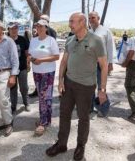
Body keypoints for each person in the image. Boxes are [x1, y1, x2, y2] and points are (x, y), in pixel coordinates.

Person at [46, 12, 108, 161]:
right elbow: (64, 62)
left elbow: (104, 66)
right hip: (69, 83)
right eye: (69, 21)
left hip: (86, 87)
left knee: (83, 117)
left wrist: (102, 89)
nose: (69, 24)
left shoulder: (96, 40)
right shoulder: (70, 40)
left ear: (82, 22)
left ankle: (81, 146)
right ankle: (61, 144)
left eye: (72, 21)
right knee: (64, 114)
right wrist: (60, 80)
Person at [28, 19, 60, 136]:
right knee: (41, 97)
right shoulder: (33, 40)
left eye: (42, 26)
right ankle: (46, 119)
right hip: (36, 72)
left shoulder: (51, 40)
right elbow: (30, 54)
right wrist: (31, 59)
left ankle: (43, 122)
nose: (39, 28)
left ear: (46, 28)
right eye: (38, 26)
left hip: (48, 72)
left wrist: (40, 60)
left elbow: (56, 56)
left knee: (45, 97)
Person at [88, 11, 115, 114]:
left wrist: (110, 63)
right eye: (89, 18)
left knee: (101, 87)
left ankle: (103, 109)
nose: (91, 20)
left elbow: (110, 48)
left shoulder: (105, 31)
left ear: (98, 18)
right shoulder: (89, 32)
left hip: (102, 64)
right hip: (90, 63)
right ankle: (90, 108)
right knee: (90, 86)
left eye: (93, 18)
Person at [28, 14, 57, 98]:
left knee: (46, 95)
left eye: (43, 19)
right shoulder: (36, 34)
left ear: (47, 22)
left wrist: (41, 59)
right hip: (36, 67)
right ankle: (37, 91)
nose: (40, 21)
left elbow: (53, 52)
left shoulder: (52, 33)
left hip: (47, 67)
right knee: (40, 89)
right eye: (39, 19)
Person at [7, 21, 30, 114]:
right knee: (13, 88)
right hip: (10, 69)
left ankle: (26, 103)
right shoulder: (6, 40)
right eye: (12, 28)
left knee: (24, 87)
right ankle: (13, 106)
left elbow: (27, 53)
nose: (14, 30)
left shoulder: (23, 39)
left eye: (16, 28)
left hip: (22, 67)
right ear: (8, 29)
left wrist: (28, 64)